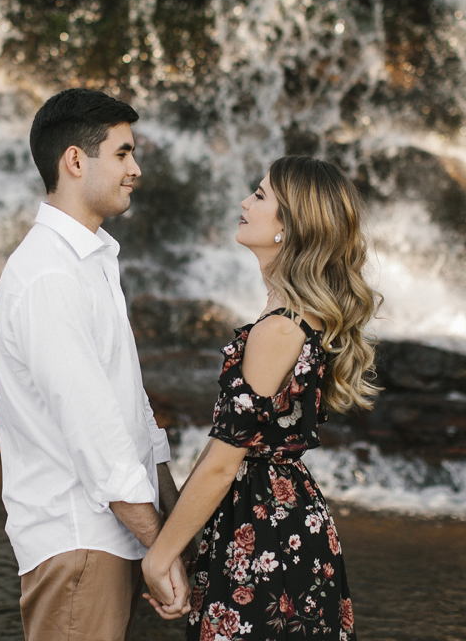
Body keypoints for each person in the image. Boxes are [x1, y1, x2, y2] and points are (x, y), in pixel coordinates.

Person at [141, 155, 381, 640]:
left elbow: (223, 462)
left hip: (265, 533)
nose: (245, 202)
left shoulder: (278, 328)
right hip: (278, 520)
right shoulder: (297, 315)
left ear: (288, 227)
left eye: (260, 195)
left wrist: (159, 555)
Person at [0, 88, 191, 641]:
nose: (136, 170)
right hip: (79, 539)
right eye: (123, 154)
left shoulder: (91, 260)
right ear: (75, 161)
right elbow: (94, 433)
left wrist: (175, 531)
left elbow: (131, 411)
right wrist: (162, 544)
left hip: (113, 534)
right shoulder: (49, 275)